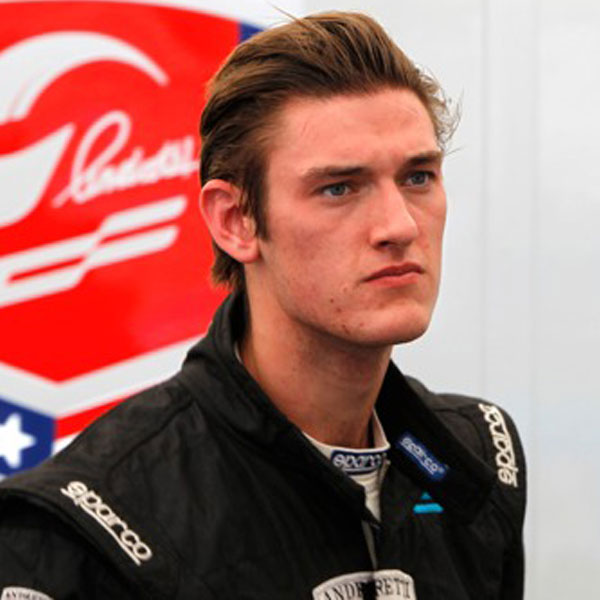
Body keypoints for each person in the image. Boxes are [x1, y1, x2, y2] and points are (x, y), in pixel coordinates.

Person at [0, 11, 526, 599]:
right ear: (235, 221)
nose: (399, 225)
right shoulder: (89, 523)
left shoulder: (478, 456)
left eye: (418, 177)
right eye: (339, 188)